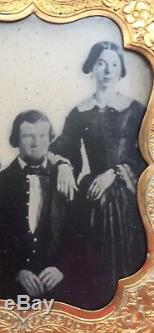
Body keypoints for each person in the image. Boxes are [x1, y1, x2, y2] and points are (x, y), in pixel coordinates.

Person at [51, 41, 147, 309]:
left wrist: (114, 173)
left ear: (120, 70)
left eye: (114, 64)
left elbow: (145, 156)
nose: (108, 70)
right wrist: (64, 166)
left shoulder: (135, 110)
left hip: (128, 198)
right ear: (92, 68)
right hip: (92, 197)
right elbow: (63, 146)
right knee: (91, 267)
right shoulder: (80, 112)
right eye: (102, 63)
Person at [0, 110, 67, 300]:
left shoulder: (64, 177)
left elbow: (77, 233)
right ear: (16, 140)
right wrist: (16, 271)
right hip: (12, 285)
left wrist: (61, 268)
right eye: (28, 136)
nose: (36, 142)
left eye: (42, 135)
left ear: (50, 138)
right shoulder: (2, 181)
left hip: (59, 285)